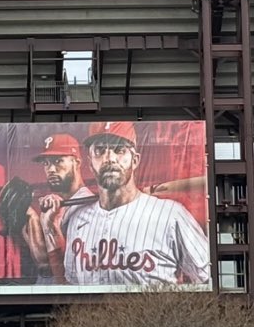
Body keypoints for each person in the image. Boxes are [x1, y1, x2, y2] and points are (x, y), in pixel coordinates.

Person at [47, 121, 210, 287]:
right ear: (89, 163)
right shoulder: (77, 219)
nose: (109, 158)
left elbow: (207, 279)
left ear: (135, 160)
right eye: (100, 150)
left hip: (155, 312)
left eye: (119, 150)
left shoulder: (171, 215)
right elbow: (71, 286)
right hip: (90, 313)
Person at [21, 133, 94, 279]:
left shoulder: (89, 206)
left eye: (58, 161)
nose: (51, 169)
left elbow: (63, 267)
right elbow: (43, 263)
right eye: (46, 163)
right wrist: (32, 219)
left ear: (77, 162)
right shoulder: (57, 205)